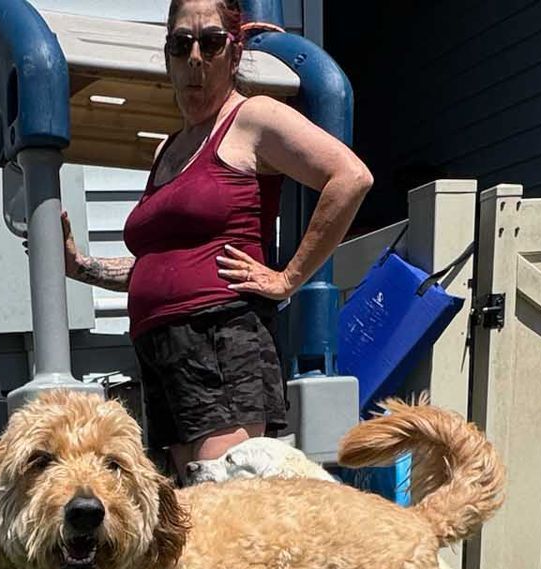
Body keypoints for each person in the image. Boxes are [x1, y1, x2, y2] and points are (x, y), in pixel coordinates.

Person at [60, 0, 372, 481]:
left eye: (210, 42)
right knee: (187, 505)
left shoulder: (252, 118)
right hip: (160, 349)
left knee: (224, 500)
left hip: (221, 338)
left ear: (234, 49)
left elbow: (350, 177)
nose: (195, 59)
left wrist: (288, 278)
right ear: (167, 54)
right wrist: (82, 266)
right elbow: (158, 263)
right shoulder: (169, 147)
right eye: (181, 44)